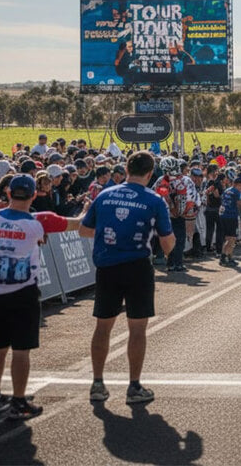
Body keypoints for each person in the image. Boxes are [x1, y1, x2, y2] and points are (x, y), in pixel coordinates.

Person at [79, 151, 175, 405]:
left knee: (103, 326)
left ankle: (98, 383)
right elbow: (167, 243)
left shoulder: (105, 195)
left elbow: (84, 229)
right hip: (137, 267)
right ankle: (133, 386)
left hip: (107, 266)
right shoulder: (154, 200)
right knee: (137, 329)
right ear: (150, 173)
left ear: (126, 168)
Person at [0, 174, 86, 420]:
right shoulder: (39, 221)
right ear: (34, 195)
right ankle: (18, 400)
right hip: (22, 293)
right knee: (21, 350)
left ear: (8, 193)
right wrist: (88, 208)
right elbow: (77, 224)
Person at [219, 175, 241, 266]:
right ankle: (224, 257)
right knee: (232, 238)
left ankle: (229, 257)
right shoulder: (237, 192)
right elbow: (239, 204)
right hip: (231, 216)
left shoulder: (227, 190)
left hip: (223, 215)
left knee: (227, 238)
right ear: (238, 184)